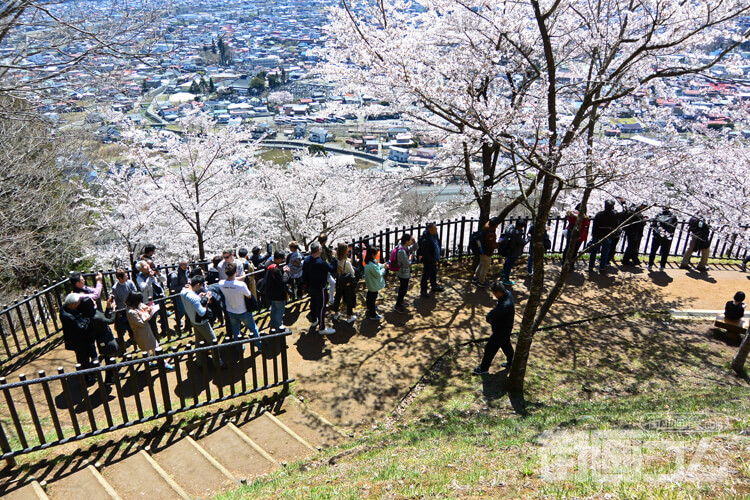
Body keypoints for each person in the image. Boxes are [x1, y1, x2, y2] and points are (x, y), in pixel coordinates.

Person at [181, 276, 226, 368]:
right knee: (214, 341)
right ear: (198, 284)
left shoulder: (183, 292)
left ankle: (200, 362)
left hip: (193, 321)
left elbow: (193, 302)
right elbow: (202, 312)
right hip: (201, 323)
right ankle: (218, 363)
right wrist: (207, 301)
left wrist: (199, 297)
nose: (202, 288)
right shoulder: (194, 298)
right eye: (201, 286)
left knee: (199, 341)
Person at [472, 281, 515, 375]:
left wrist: (489, 317)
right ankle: (512, 362)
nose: (493, 295)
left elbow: (492, 316)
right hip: (506, 327)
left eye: (494, 293)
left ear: (498, 292)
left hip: (501, 330)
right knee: (506, 345)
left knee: (489, 348)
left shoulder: (505, 306)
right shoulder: (508, 294)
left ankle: (483, 368)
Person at [125, 291, 172, 369]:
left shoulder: (136, 306)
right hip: (142, 333)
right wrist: (147, 314)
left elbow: (143, 306)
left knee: (148, 348)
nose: (140, 302)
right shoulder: (131, 312)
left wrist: (149, 308)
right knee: (154, 347)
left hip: (146, 331)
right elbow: (141, 323)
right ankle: (164, 364)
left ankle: (149, 364)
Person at [219, 261, 262, 346]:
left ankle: (239, 348)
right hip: (243, 310)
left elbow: (229, 281)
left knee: (236, 330)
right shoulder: (241, 285)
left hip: (230, 310)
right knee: (252, 328)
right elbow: (249, 296)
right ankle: (259, 345)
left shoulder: (221, 284)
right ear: (235, 272)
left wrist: (242, 276)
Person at [79, 295, 119, 383]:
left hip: (103, 338)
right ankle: (110, 378)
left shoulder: (92, 314)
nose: (94, 301)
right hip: (105, 339)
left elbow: (103, 318)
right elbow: (110, 321)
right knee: (109, 358)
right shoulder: (95, 317)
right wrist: (114, 311)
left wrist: (108, 308)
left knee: (108, 357)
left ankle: (111, 376)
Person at [60, 292, 97, 384]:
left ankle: (89, 371)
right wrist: (88, 320)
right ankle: (86, 377)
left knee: (85, 356)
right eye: (77, 304)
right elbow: (81, 327)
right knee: (83, 359)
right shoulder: (67, 316)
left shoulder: (66, 308)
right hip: (78, 341)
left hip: (81, 339)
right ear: (72, 304)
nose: (79, 305)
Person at [302, 241, 336, 334]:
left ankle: (314, 321)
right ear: (319, 250)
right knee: (321, 307)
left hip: (311, 287)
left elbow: (304, 274)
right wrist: (333, 257)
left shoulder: (307, 260)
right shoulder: (321, 263)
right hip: (321, 288)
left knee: (313, 304)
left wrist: (304, 286)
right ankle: (322, 328)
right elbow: (332, 269)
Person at [135, 260, 166, 337]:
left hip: (159, 296)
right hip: (149, 299)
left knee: (163, 315)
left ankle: (165, 331)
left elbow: (163, 280)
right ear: (141, 269)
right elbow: (144, 288)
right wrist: (150, 278)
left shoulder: (152, 272)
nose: (148, 266)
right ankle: (155, 334)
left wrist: (159, 274)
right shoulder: (140, 277)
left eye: (147, 264)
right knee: (152, 318)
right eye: (145, 265)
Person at [265, 251, 292, 333]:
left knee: (274, 310)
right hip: (278, 294)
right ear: (280, 258)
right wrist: (286, 273)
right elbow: (282, 281)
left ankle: (273, 325)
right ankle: (278, 327)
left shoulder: (269, 265)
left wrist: (282, 271)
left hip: (271, 293)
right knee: (279, 311)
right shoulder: (276, 269)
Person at [330, 243, 357, 323]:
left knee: (338, 297)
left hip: (339, 281)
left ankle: (336, 313)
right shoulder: (346, 262)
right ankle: (349, 316)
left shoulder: (335, 260)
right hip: (347, 282)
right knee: (349, 298)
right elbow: (352, 273)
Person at [588, 200, 618, 272]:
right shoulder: (614, 216)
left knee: (594, 251)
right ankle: (602, 267)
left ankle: (591, 266)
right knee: (605, 252)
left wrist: (593, 234)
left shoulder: (599, 214)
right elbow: (615, 226)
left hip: (598, 235)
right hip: (608, 235)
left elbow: (594, 226)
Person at [393, 233, 419, 314]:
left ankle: (401, 301)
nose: (411, 242)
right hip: (403, 272)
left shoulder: (403, 247)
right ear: (407, 241)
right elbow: (406, 263)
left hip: (403, 271)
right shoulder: (401, 251)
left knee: (403, 287)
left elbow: (415, 248)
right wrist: (410, 259)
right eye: (410, 241)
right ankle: (397, 305)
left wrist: (415, 242)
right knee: (403, 289)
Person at [472, 217, 501, 287]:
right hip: (487, 252)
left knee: (481, 264)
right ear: (495, 225)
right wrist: (499, 243)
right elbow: (492, 245)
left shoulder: (485, 229)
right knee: (485, 267)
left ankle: (476, 277)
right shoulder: (491, 234)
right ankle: (481, 282)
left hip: (481, 250)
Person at [111, 268, 137, 346]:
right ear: (120, 278)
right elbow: (116, 300)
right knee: (124, 325)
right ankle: (121, 341)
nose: (127, 277)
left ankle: (133, 338)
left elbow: (135, 292)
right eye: (125, 276)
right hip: (123, 309)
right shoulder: (115, 288)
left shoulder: (130, 283)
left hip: (132, 307)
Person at [418, 223, 444, 297]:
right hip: (428, 259)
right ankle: (423, 290)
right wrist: (433, 260)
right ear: (430, 230)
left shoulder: (435, 235)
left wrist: (439, 255)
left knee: (433, 272)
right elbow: (426, 253)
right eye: (435, 229)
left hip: (434, 257)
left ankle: (434, 285)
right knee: (426, 275)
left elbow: (437, 244)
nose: (436, 230)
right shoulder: (425, 240)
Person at [648, 207, 677, 271]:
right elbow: (673, 227)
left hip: (657, 236)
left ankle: (650, 264)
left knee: (653, 251)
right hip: (667, 237)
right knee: (665, 252)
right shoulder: (673, 217)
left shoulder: (658, 215)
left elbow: (653, 224)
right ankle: (662, 266)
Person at [499, 220, 526, 286]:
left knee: (507, 261)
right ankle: (506, 279)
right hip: (514, 251)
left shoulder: (510, 229)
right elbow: (522, 243)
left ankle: (503, 272)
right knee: (509, 265)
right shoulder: (517, 234)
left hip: (508, 249)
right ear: (520, 227)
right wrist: (528, 238)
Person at [621, 202, 648, 266]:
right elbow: (639, 223)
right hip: (634, 232)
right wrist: (644, 221)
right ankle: (626, 260)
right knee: (632, 246)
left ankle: (634, 259)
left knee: (632, 246)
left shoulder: (633, 212)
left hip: (630, 231)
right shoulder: (637, 213)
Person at [168, 259, 191, 332]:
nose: (185, 266)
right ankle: (178, 323)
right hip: (179, 295)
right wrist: (183, 286)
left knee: (188, 310)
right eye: (183, 265)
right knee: (182, 311)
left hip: (187, 293)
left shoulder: (186, 271)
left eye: (186, 265)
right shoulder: (175, 275)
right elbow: (173, 287)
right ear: (179, 265)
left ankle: (187, 326)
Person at [364, 246, 387, 320]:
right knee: (372, 298)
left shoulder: (369, 262)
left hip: (370, 283)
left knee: (369, 296)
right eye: (375, 254)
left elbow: (378, 265)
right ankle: (373, 314)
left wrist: (383, 265)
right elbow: (378, 274)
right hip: (373, 284)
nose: (377, 255)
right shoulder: (372, 265)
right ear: (372, 255)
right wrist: (384, 269)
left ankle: (369, 308)